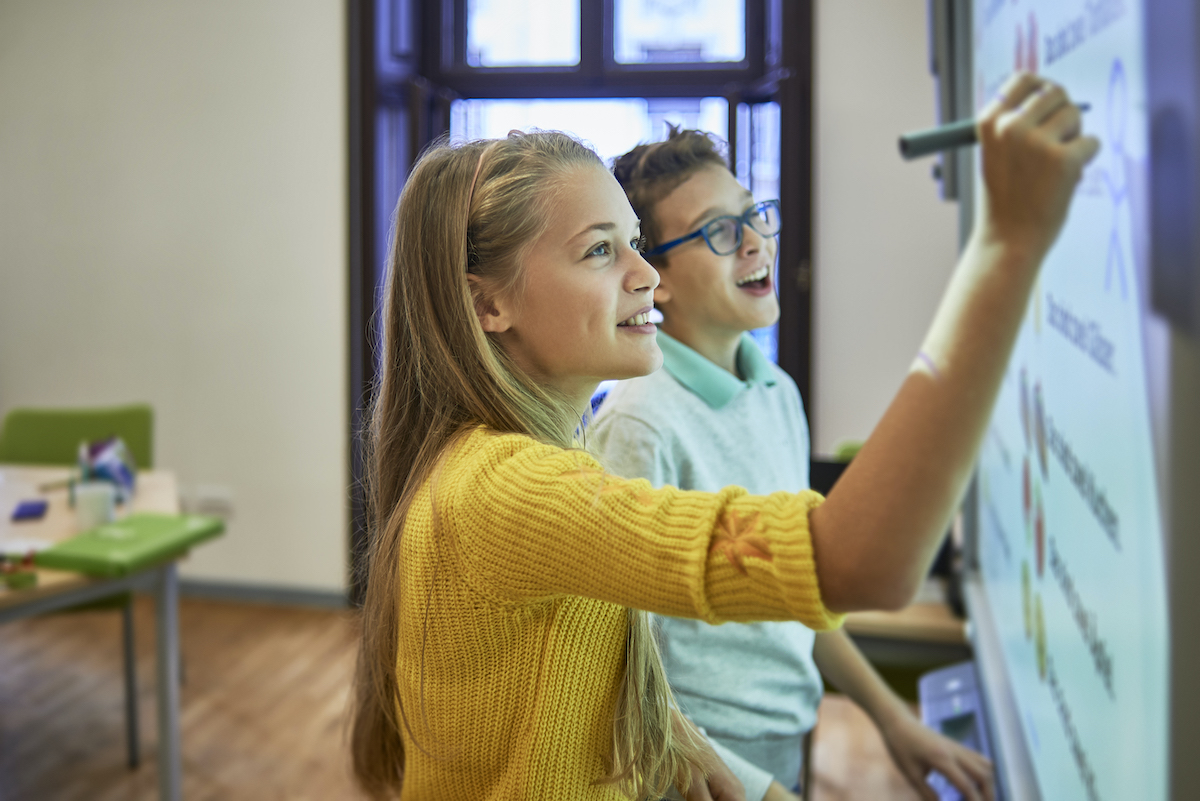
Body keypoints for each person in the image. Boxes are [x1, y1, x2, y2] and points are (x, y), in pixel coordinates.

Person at [350, 72, 1097, 801]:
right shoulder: (511, 486)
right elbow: (860, 561)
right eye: (599, 250)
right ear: (488, 306)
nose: (646, 275)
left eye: (635, 242)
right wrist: (1006, 245)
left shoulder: (529, 461)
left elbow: (580, 679)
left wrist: (691, 745)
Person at [593, 127, 991, 801]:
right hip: (694, 774)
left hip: (783, 751)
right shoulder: (638, 426)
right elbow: (623, 686)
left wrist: (893, 719)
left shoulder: (776, 390)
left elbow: (801, 591)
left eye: (753, 214)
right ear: (653, 280)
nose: (754, 242)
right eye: (719, 230)